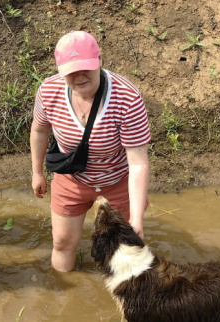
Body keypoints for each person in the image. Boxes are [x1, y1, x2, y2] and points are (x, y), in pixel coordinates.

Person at [30, 31, 151, 272]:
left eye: (85, 68)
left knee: (126, 250)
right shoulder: (49, 91)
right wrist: (37, 172)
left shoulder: (127, 97)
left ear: (100, 60)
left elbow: (138, 163)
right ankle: (64, 290)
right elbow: (39, 130)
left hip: (117, 179)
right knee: (63, 242)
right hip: (71, 178)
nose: (79, 77)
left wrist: (136, 220)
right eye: (71, 71)